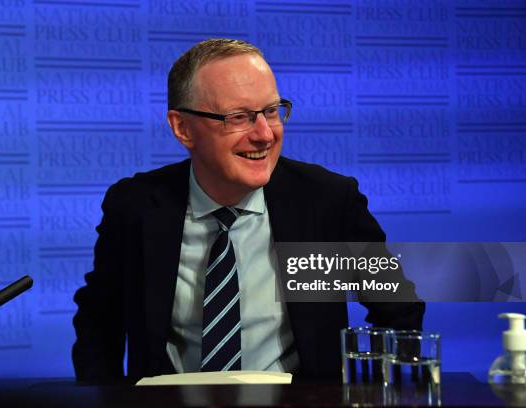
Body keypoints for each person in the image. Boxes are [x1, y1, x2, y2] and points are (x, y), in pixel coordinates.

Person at [72, 39, 424, 381]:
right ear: (182, 128)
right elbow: (99, 321)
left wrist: (370, 389)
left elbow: (398, 311)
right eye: (238, 116)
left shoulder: (326, 202)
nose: (264, 134)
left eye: (271, 111)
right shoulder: (135, 206)